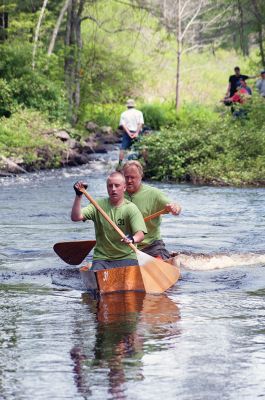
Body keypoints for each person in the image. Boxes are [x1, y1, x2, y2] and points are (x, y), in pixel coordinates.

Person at [71, 171, 147, 270]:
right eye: (110, 186)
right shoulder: (97, 205)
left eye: (117, 185)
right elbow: (76, 217)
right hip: (102, 258)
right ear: (107, 188)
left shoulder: (131, 208)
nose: (113, 189)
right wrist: (78, 196)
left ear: (124, 188)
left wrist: (132, 239)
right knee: (96, 283)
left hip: (127, 257)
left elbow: (140, 234)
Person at [122, 160, 181, 259]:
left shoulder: (154, 194)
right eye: (126, 177)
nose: (129, 181)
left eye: (132, 177)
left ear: (141, 176)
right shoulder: (117, 194)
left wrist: (175, 208)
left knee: (160, 261)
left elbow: (176, 207)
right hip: (125, 246)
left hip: (151, 245)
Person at [117, 99, 144, 169]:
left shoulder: (123, 114)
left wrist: (129, 133)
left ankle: (119, 165)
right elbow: (140, 123)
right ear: (134, 105)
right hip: (137, 132)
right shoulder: (139, 113)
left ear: (127, 106)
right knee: (142, 148)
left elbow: (123, 125)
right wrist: (136, 133)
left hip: (127, 133)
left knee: (123, 149)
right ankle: (144, 163)